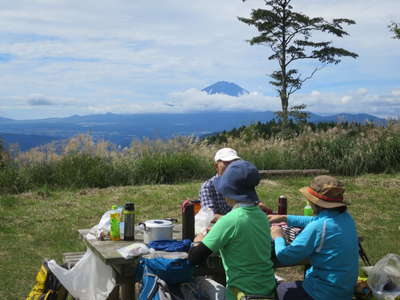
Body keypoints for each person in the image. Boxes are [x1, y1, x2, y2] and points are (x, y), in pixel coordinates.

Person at [189, 160, 276, 300]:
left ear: (229, 192)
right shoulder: (261, 216)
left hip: (240, 295)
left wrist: (199, 240)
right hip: (269, 292)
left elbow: (194, 258)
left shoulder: (230, 220)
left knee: (199, 283)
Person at [269, 175, 359, 300]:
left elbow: (285, 256)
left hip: (321, 294)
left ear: (314, 201)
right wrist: (285, 218)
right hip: (343, 291)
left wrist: (278, 236)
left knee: (274, 291)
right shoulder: (345, 217)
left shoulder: (318, 227)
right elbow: (316, 220)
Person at [199, 148, 270, 220]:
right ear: (216, 166)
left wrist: (257, 205)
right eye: (227, 162)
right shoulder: (208, 186)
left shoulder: (240, 180)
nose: (231, 166)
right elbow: (209, 215)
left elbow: (249, 202)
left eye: (234, 162)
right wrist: (237, 220)